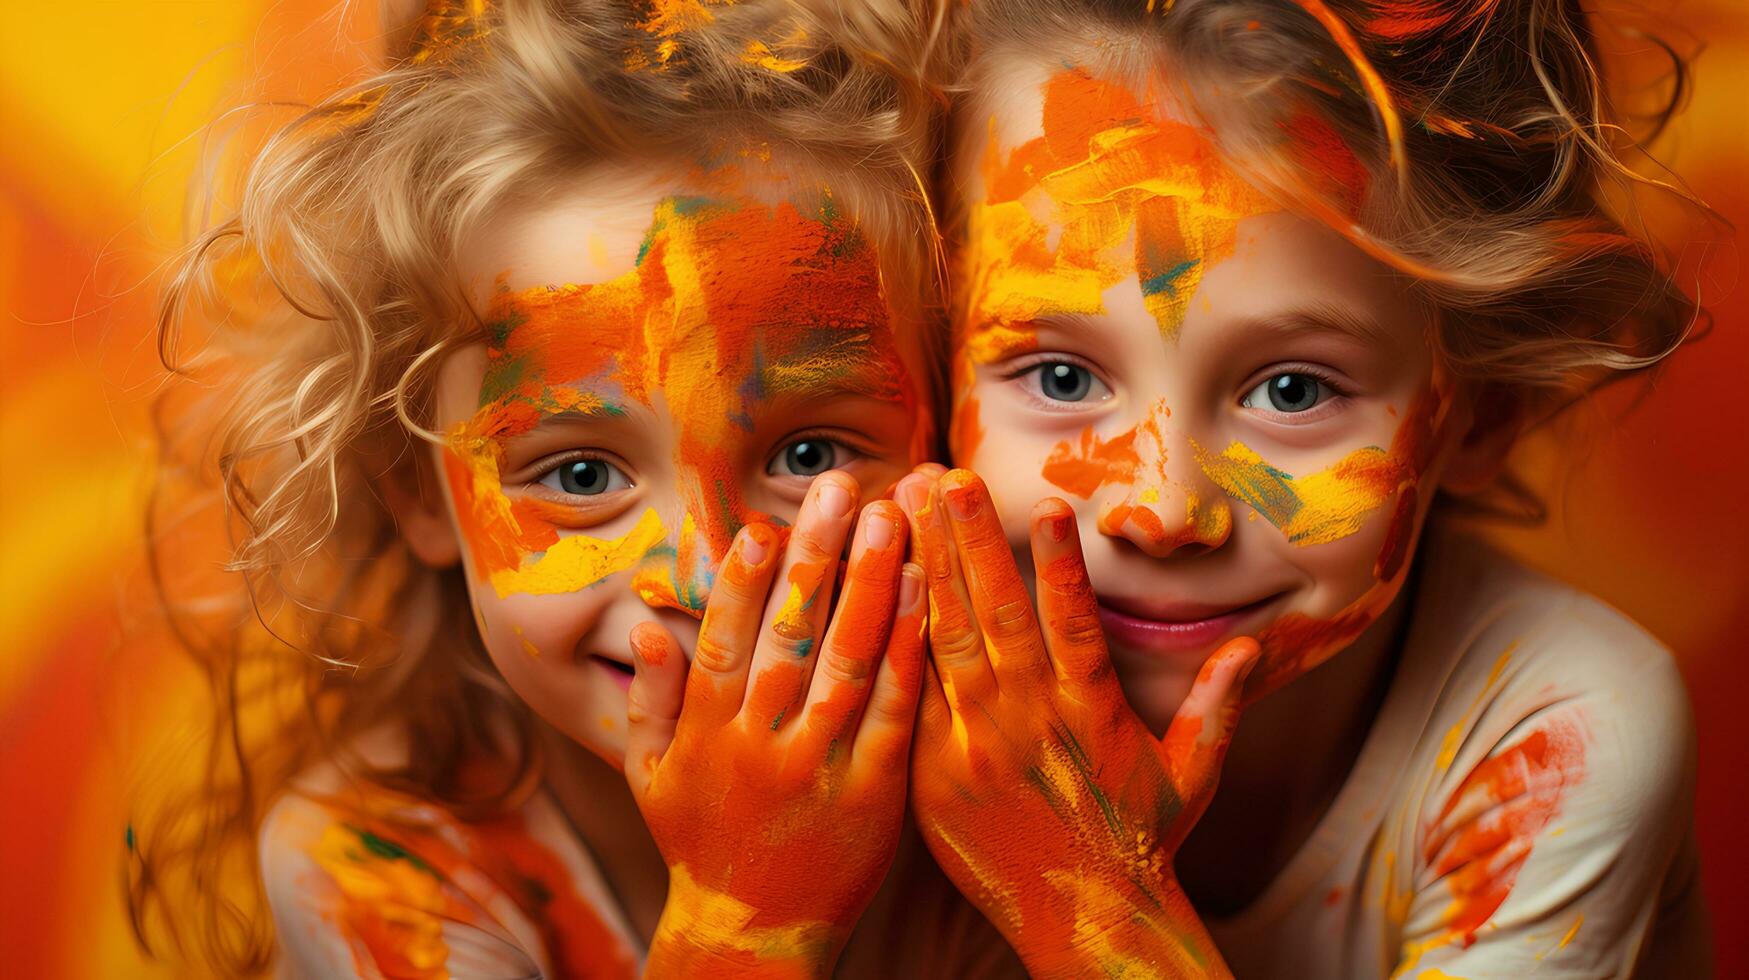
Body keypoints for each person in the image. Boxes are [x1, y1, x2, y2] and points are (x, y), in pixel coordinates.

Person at [127, 0, 961, 975]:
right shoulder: (380, 868)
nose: (702, 574)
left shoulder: (1002, 789)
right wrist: (751, 913)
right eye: (580, 474)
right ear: (422, 493)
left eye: (811, 455)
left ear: (949, 419)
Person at [890, 0, 1713, 975]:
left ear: (1481, 413)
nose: (1162, 507)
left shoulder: (1554, 731)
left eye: (1293, 389)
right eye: (1062, 377)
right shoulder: (827, 692)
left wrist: (1095, 896)